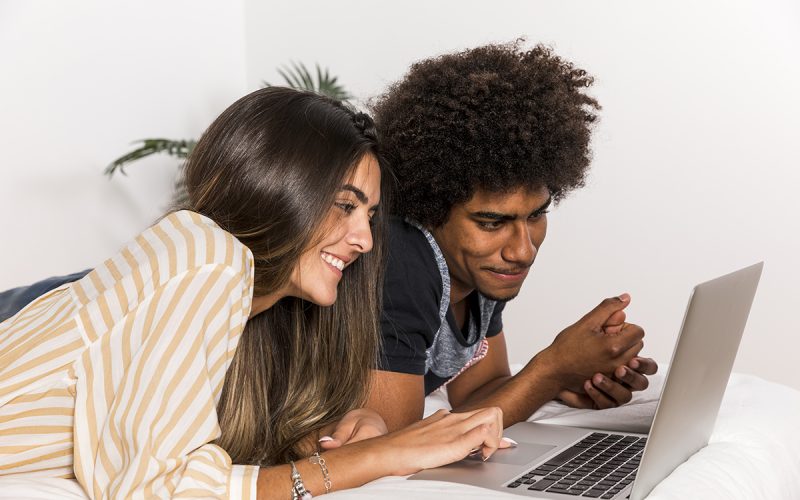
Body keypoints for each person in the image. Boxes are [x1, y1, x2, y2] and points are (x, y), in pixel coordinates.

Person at [0, 87, 511, 499]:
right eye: (343, 205)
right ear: (278, 187)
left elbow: (200, 442)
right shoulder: (204, 252)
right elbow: (157, 490)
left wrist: (340, 432)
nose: (365, 239)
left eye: (370, 215)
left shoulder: (265, 314)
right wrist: (374, 458)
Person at [367, 42, 659, 431]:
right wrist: (551, 368)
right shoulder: (402, 263)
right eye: (491, 223)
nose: (522, 251)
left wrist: (568, 380)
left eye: (536, 215)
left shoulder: (478, 271)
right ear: (429, 209)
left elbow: (478, 393)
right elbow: (395, 442)